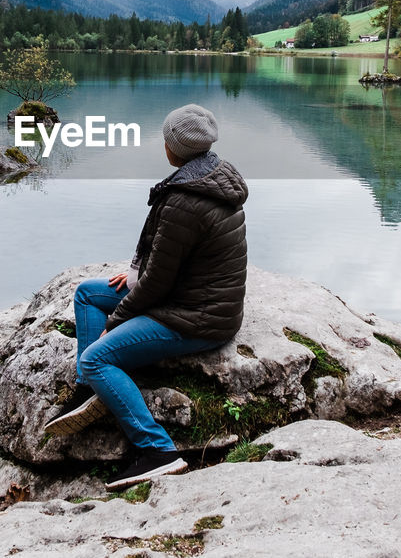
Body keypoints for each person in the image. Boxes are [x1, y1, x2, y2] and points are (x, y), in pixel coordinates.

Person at [43, 103, 248, 490]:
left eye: (165, 138)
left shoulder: (184, 200)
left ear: (173, 147)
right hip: (191, 297)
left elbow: (157, 285)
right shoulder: (212, 176)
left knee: (96, 357)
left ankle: (158, 451)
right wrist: (136, 274)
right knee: (87, 293)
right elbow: (166, 261)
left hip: (198, 317)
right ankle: (91, 389)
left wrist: (116, 323)